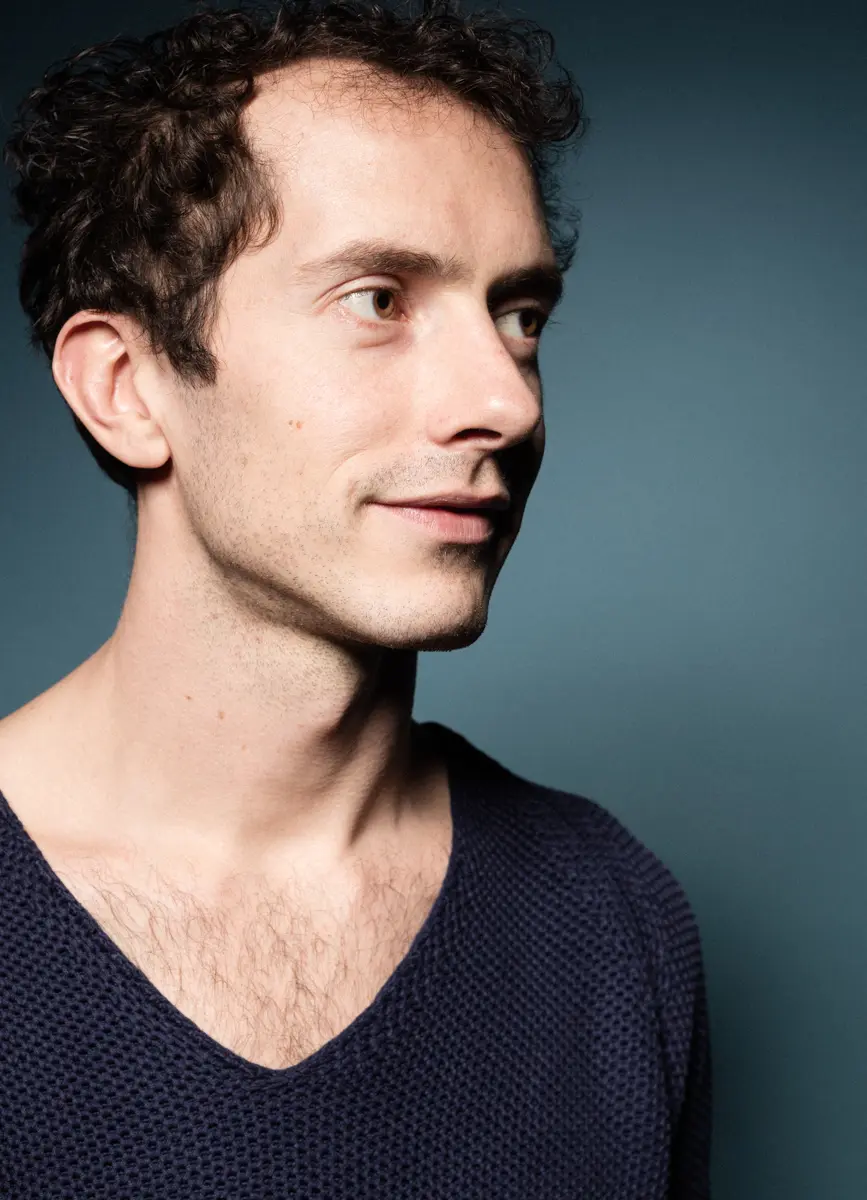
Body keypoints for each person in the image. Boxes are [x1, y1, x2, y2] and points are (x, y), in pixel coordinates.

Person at [0, 0, 712, 1194]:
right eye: (379, 299)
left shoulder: (614, 917)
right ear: (126, 386)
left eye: (518, 317)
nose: (506, 403)